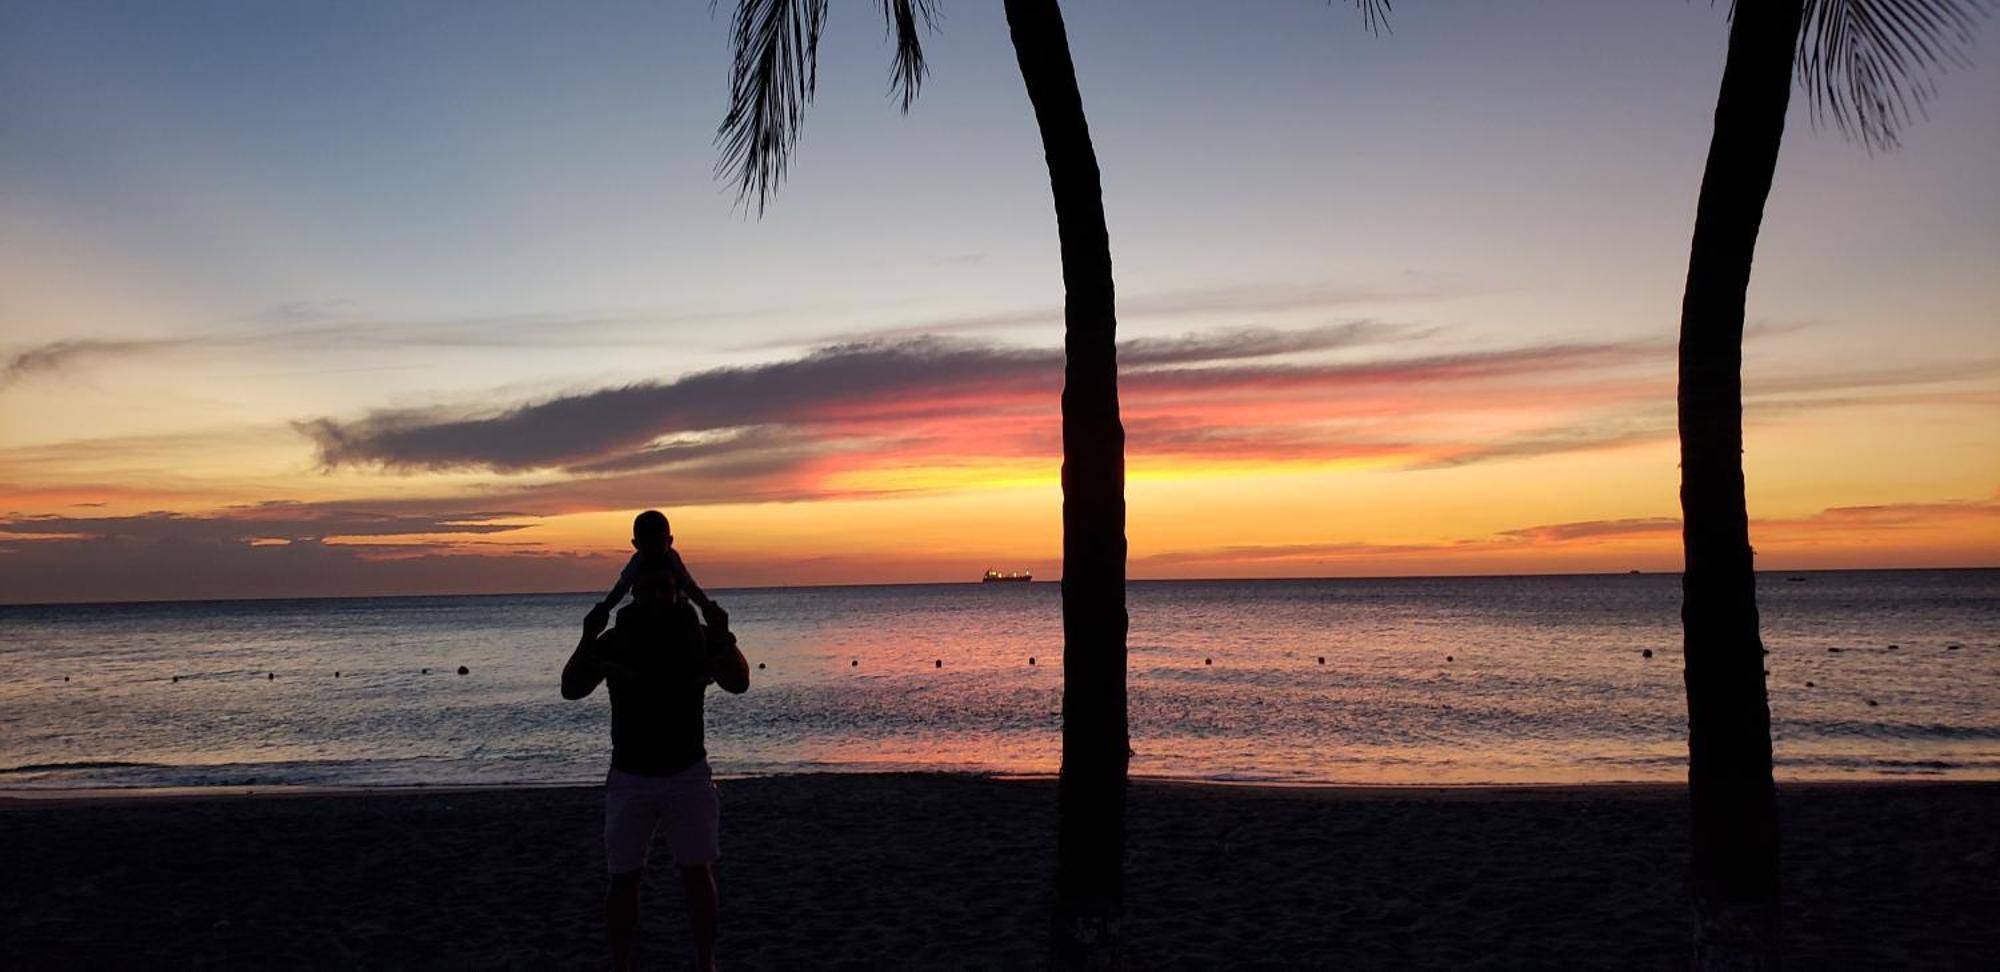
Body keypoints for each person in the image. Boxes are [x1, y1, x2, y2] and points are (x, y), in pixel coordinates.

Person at [562, 567, 750, 972]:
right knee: (624, 876)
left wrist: (721, 632)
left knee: (697, 872)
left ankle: (706, 963)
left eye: (666, 588)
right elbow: (572, 688)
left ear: (677, 592)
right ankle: (622, 964)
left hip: (686, 772)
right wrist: (586, 637)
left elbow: (738, 682)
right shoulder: (618, 640)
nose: (658, 596)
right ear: (635, 593)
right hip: (631, 775)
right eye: (649, 588)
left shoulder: (695, 637)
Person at [591, 510, 711, 628]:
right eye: (647, 543)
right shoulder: (637, 561)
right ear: (636, 544)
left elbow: (688, 585)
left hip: (676, 604)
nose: (653, 548)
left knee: (689, 614)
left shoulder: (672, 558)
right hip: (642, 605)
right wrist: (605, 607)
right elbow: (621, 587)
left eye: (657, 542)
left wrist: (706, 606)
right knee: (624, 616)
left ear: (669, 542)